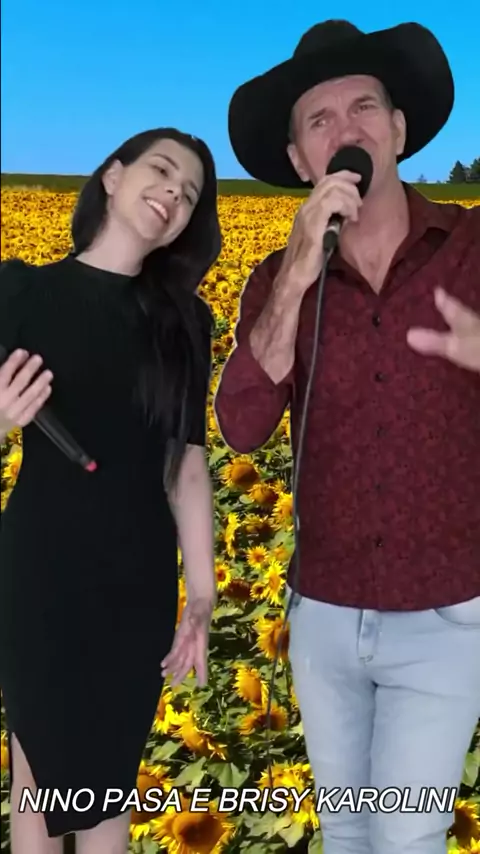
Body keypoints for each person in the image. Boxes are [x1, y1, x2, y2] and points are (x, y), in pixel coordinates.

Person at [214, 20, 480, 854]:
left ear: (398, 129)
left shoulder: (473, 250)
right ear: (301, 160)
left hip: (446, 612)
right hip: (322, 614)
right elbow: (242, 426)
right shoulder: (276, 280)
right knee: (348, 834)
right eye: (319, 120)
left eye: (364, 106)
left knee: (406, 836)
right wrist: (297, 272)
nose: (347, 130)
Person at [0, 127, 220, 854]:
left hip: (137, 578)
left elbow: (187, 467)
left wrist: (202, 599)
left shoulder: (185, 321)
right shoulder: (20, 292)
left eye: (189, 194)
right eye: (162, 170)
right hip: (40, 567)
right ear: (113, 176)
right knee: (37, 777)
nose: (174, 194)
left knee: (107, 787)